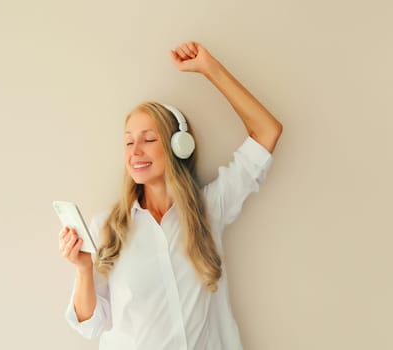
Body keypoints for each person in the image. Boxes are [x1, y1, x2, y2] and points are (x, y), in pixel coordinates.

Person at [59, 40, 283, 350]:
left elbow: (267, 132)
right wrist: (83, 268)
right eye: (128, 142)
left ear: (179, 146)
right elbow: (91, 325)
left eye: (148, 139)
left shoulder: (209, 209)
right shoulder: (107, 229)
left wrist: (210, 69)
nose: (135, 151)